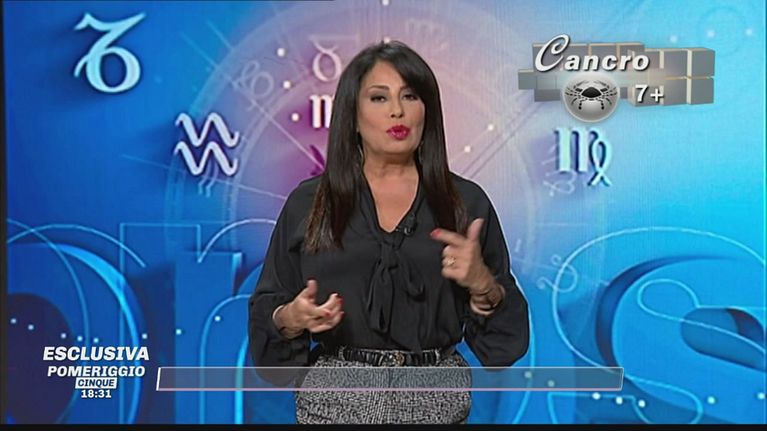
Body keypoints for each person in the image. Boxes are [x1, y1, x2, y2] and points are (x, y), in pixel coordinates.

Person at [248, 40, 529, 424]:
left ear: (427, 110)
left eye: (410, 96)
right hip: (335, 401)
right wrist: (291, 318)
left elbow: (504, 347)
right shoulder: (310, 204)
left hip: (435, 402)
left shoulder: (465, 203)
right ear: (352, 114)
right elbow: (268, 315)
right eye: (379, 98)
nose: (397, 110)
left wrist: (484, 287)